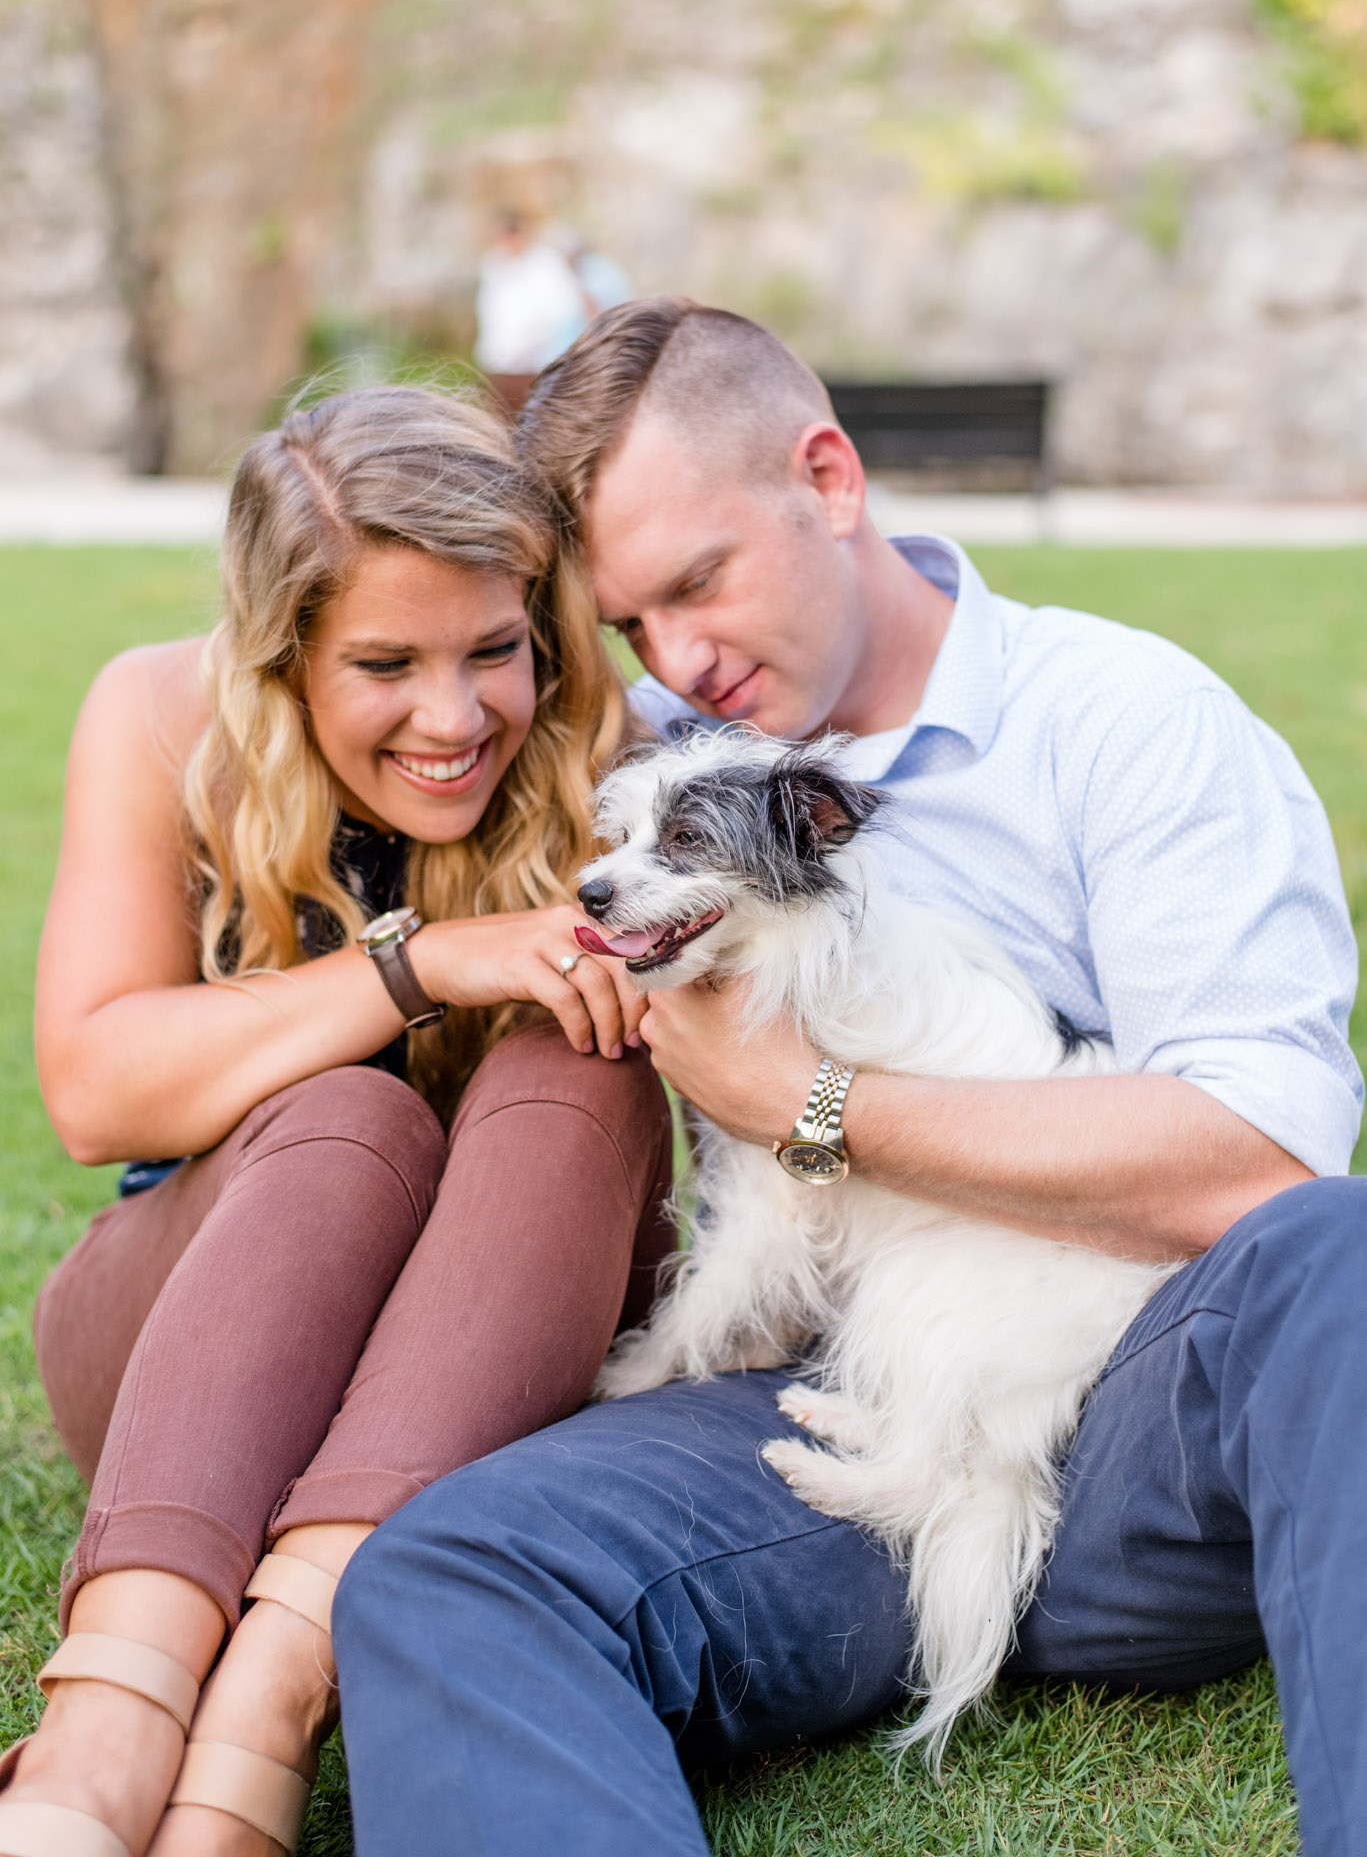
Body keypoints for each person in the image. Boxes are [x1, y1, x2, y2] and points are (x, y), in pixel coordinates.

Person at [332, 301, 1366, 1857]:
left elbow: (1256, 1157)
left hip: (1141, 1433)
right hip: (811, 1424)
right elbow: (370, 672)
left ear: (827, 477)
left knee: (1333, 1257)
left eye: (699, 583)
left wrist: (813, 1106)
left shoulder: (1126, 724)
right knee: (444, 1574)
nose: (678, 660)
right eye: (629, 626)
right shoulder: (661, 763)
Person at [0, 385, 672, 1857]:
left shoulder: (603, 744)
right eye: (383, 664)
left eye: (495, 650)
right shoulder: (166, 716)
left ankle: (271, 1705)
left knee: (587, 1061)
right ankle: (107, 1725)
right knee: (348, 1120)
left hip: (486, 1370)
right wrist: (416, 966)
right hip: (206, 1349)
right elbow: (93, 1087)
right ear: (280, 650)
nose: (455, 717)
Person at [473, 210, 587, 417]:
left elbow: (564, 306)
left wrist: (537, 335)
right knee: (501, 418)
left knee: (533, 419)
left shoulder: (544, 264)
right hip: (501, 361)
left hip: (535, 360)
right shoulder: (493, 264)